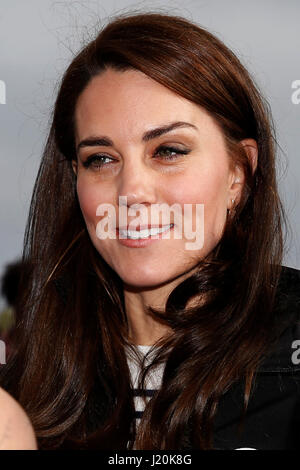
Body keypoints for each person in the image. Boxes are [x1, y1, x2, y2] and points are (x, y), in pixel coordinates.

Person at [0, 11, 299, 450]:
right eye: (100, 158)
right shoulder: (26, 388)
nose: (132, 192)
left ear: (239, 172)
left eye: (168, 150)